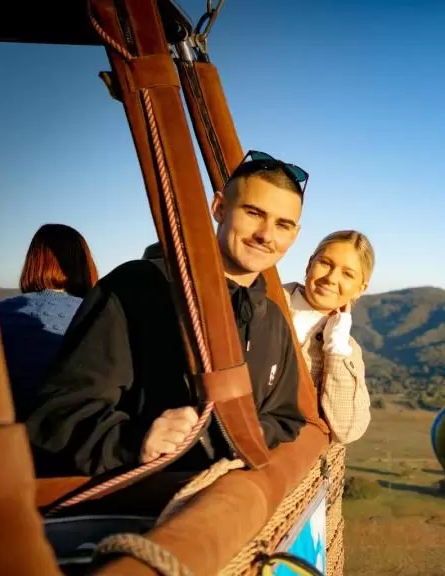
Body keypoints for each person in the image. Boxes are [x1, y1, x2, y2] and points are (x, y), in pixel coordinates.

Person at [25, 151, 308, 483]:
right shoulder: (135, 289)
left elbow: (285, 417)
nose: (266, 234)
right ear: (219, 208)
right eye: (253, 213)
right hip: (139, 510)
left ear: (294, 235)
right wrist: (134, 441)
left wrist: (249, 431)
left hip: (221, 512)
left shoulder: (272, 320)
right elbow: (55, 417)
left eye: (282, 224)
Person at [0, 224, 99, 420]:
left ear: (31, 264)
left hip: (8, 440)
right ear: (84, 265)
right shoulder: (97, 315)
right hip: (74, 440)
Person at [282, 230, 373, 445]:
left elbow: (348, 430)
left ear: (360, 289)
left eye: (347, 274)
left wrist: (336, 345)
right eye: (325, 263)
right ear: (309, 264)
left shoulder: (346, 349)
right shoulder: (263, 301)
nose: (331, 278)